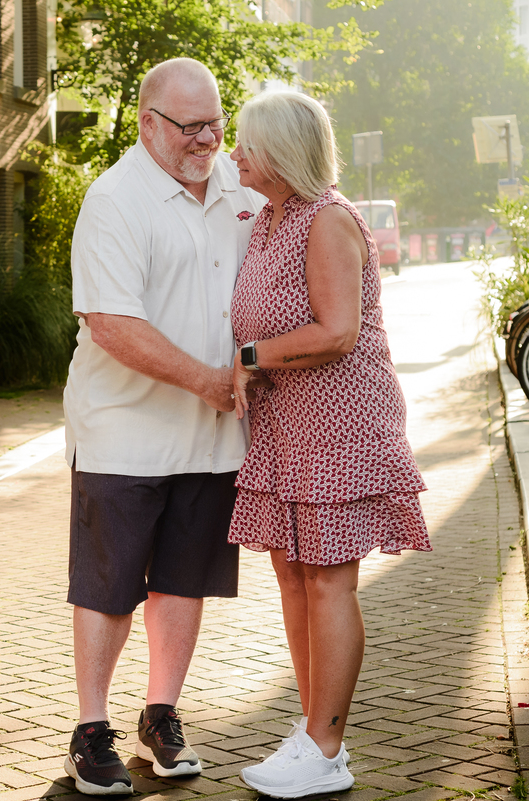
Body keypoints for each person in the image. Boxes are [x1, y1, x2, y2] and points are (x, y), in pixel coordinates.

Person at [61, 57, 266, 796]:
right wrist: (208, 379)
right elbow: (112, 323)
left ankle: (161, 715)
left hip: (213, 435)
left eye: (215, 121)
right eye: (190, 126)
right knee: (110, 585)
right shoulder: (114, 200)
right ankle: (90, 729)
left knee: (185, 579)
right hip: (124, 431)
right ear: (149, 124)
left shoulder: (237, 189)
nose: (208, 138)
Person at [227, 90, 430, 799]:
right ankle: (314, 732)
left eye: (247, 144)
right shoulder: (268, 219)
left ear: (281, 153)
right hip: (286, 423)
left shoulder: (328, 221)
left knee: (326, 578)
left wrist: (250, 358)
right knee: (290, 575)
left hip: (339, 419)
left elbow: (337, 331)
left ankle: (325, 742)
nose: (233, 152)